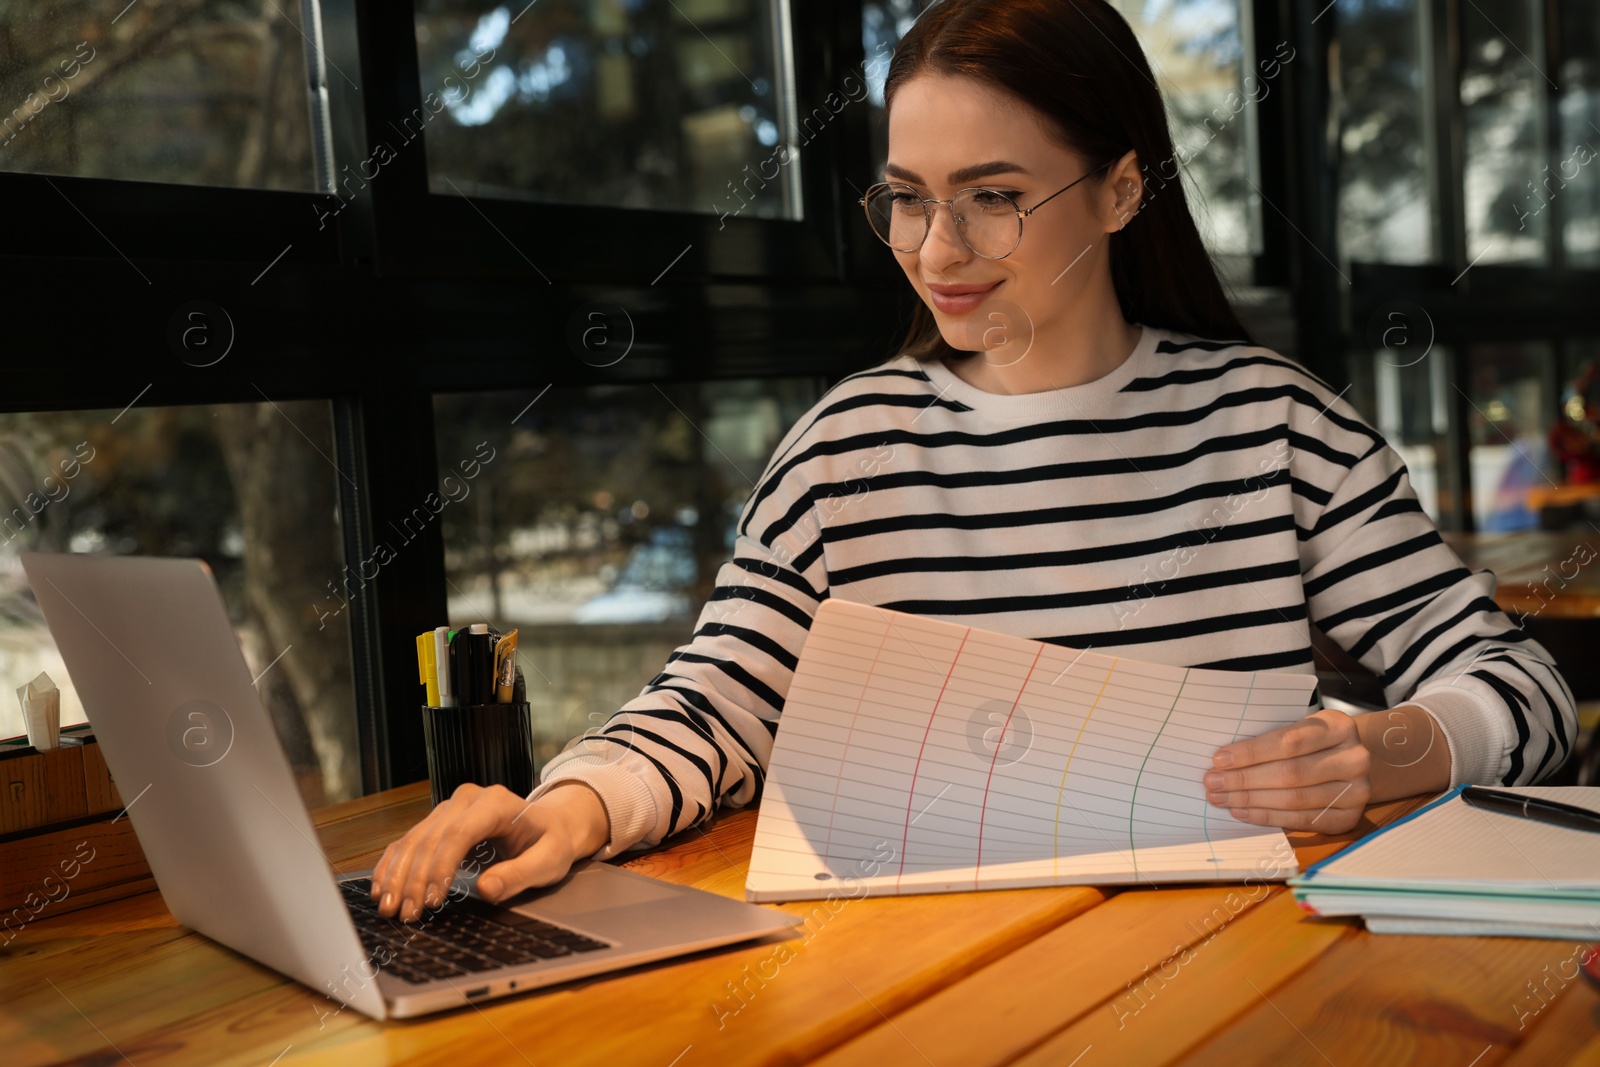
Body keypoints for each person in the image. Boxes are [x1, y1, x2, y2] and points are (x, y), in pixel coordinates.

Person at [369, 0, 1575, 923]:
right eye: (904, 198)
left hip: (1234, 964)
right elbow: (717, 702)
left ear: (1118, 189)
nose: (935, 248)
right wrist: (572, 802)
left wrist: (1389, 748)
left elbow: (1527, 689)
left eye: (992, 196)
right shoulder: (845, 450)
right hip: (926, 977)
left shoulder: (1274, 428)